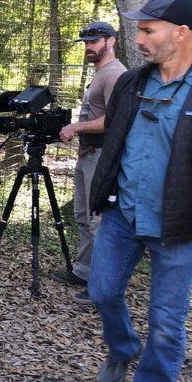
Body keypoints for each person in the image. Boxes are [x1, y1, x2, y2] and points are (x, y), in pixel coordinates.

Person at [88, 0, 192, 382]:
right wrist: (102, 197)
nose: (139, 38)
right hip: (123, 214)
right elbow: (114, 143)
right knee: (101, 291)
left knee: (168, 325)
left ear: (182, 33)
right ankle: (123, 345)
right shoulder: (132, 83)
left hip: (179, 227)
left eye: (148, 30)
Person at [51, 21, 127, 305]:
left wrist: (76, 128)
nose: (89, 47)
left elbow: (113, 120)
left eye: (94, 42)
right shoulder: (99, 73)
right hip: (87, 156)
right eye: (86, 43)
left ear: (111, 42)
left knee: (100, 222)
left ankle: (102, 289)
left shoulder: (115, 74)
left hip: (103, 157)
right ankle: (84, 272)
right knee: (83, 217)